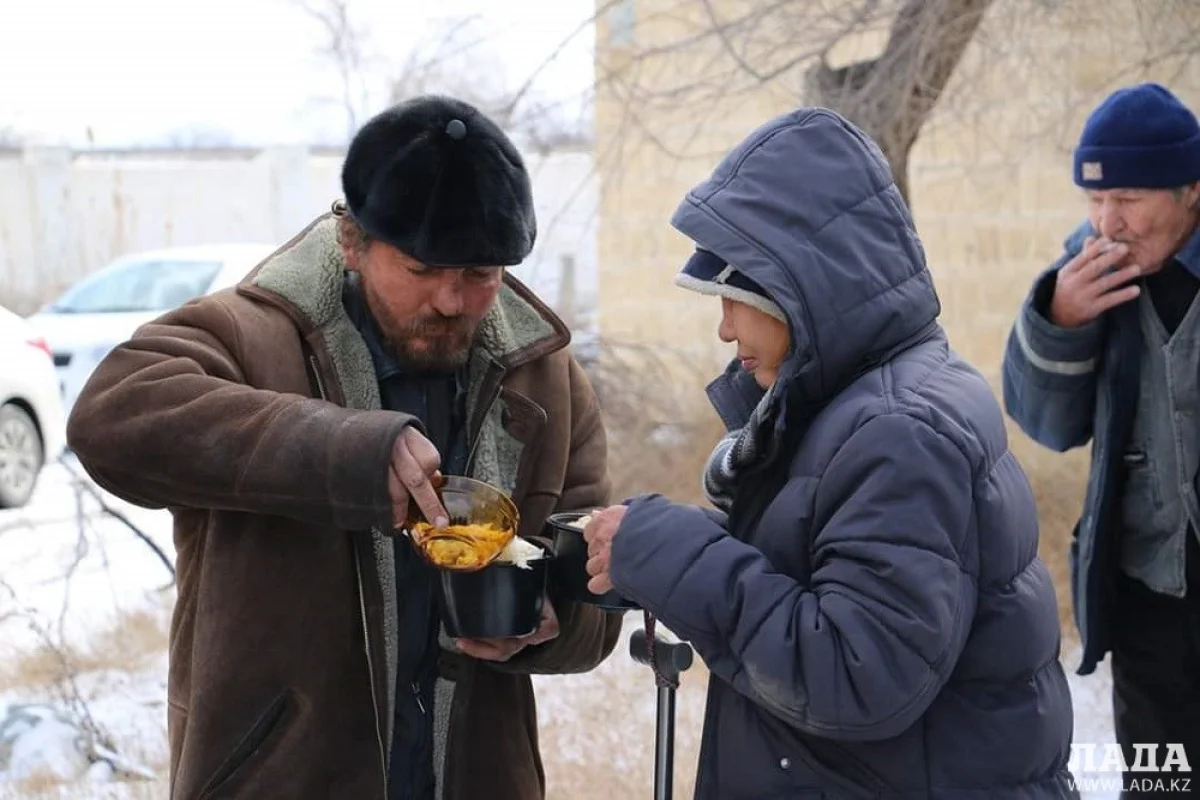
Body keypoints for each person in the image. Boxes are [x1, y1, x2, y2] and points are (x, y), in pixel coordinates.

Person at [65, 95, 622, 800]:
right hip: (283, 778)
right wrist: (346, 453)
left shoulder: (546, 377)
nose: (453, 300)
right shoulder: (249, 334)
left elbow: (591, 594)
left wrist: (547, 622)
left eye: (480, 275)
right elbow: (111, 416)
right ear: (352, 242)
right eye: (423, 270)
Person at [581, 106, 1078, 798]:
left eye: (736, 298)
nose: (724, 329)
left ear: (803, 290)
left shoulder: (900, 431)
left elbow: (856, 671)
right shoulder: (856, 404)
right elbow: (815, 568)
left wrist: (678, 554)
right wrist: (647, 556)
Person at [1002, 82, 1200, 793]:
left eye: (1130, 199)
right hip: (1147, 596)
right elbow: (1045, 426)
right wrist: (1059, 319)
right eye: (1095, 200)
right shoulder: (1084, 275)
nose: (1107, 223)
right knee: (1160, 783)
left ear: (1191, 189)